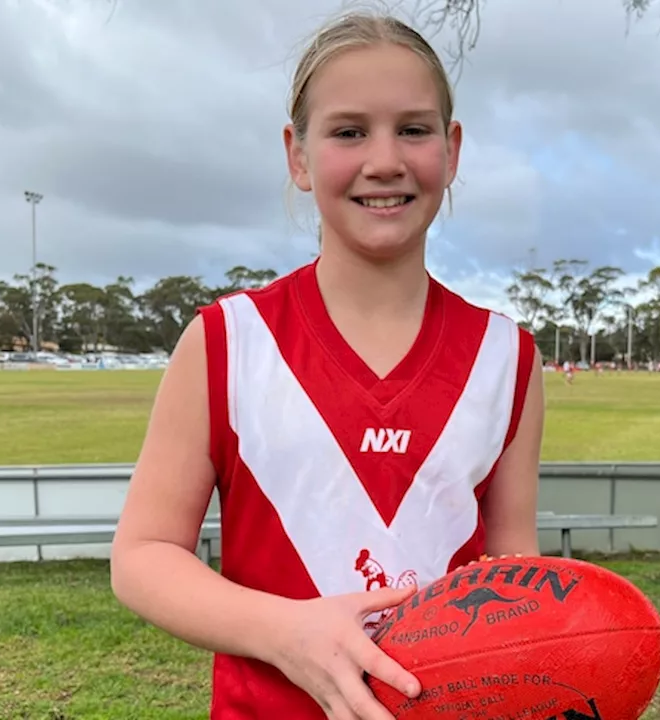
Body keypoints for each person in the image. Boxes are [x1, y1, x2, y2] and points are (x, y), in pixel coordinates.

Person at [110, 11, 544, 720]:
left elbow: (512, 573)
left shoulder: (507, 359)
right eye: (349, 131)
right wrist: (287, 633)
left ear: (452, 148)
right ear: (298, 157)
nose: (385, 161)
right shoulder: (226, 341)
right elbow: (143, 555)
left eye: (413, 128)